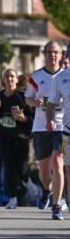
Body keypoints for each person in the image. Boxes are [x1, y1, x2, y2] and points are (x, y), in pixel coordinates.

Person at [0, 68, 32, 209]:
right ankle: (12, 198)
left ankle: (31, 186)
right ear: (3, 80)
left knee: (21, 169)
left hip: (21, 138)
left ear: (16, 80)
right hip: (5, 138)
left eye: (12, 76)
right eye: (7, 76)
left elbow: (32, 119)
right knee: (9, 167)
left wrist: (23, 118)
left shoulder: (23, 97)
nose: (9, 79)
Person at [26, 41, 63, 218]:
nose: (53, 55)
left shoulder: (66, 76)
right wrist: (35, 102)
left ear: (61, 55)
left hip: (61, 125)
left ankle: (57, 205)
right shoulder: (36, 76)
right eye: (49, 52)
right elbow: (28, 98)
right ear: (44, 54)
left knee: (58, 162)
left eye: (56, 52)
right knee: (43, 170)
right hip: (40, 126)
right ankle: (48, 190)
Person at [46, 57, 70, 221]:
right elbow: (51, 104)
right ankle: (58, 205)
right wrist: (50, 119)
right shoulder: (60, 78)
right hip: (67, 131)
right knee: (66, 169)